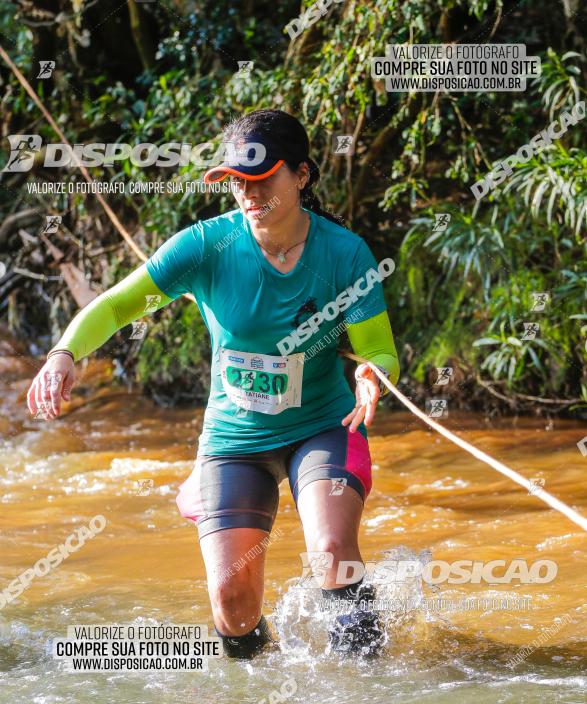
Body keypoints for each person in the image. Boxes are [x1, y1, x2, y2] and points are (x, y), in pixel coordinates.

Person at [26, 109, 400, 660]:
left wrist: (373, 375)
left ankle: (372, 688)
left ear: (301, 176)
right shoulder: (204, 248)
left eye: (262, 178)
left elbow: (377, 348)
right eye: (236, 181)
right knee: (231, 599)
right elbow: (116, 306)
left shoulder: (344, 255)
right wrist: (64, 353)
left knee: (332, 550)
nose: (248, 193)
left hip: (324, 426)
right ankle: (263, 696)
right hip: (233, 442)